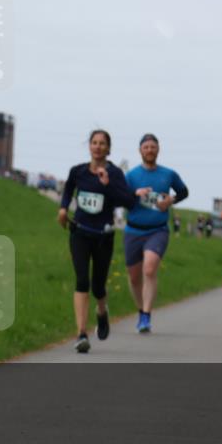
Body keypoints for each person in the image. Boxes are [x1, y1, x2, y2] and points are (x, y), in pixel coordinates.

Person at [58, 130, 136, 353]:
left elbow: (128, 202)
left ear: (108, 149)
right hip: (80, 232)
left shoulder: (116, 174)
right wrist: (63, 209)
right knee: (82, 280)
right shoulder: (78, 171)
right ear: (89, 146)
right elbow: (68, 191)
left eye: (103, 143)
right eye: (94, 143)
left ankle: (102, 311)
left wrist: (108, 184)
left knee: (98, 285)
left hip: (103, 236)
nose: (98, 146)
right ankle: (81, 333)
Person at [124, 134, 189, 333]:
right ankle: (140, 309)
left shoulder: (168, 174)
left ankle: (146, 316)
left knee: (150, 269)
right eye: (146, 147)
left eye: (153, 147)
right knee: (134, 278)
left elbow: (184, 192)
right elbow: (120, 198)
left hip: (158, 230)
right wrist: (134, 194)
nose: (150, 150)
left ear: (158, 150)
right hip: (133, 230)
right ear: (140, 151)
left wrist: (171, 200)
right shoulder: (132, 176)